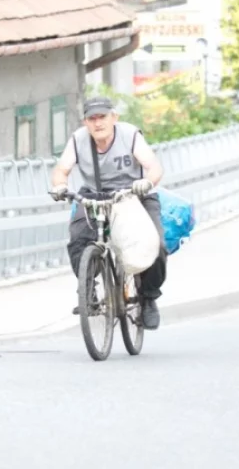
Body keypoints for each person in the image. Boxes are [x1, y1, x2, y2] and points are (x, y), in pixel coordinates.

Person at [48, 96, 167, 330]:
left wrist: (146, 182)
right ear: (85, 122)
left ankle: (148, 297)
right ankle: (88, 286)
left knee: (157, 245)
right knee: (78, 239)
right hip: (95, 195)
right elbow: (61, 170)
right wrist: (60, 186)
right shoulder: (78, 140)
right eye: (91, 119)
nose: (97, 123)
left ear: (114, 118)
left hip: (134, 193)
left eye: (102, 117)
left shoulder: (130, 135)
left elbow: (154, 167)